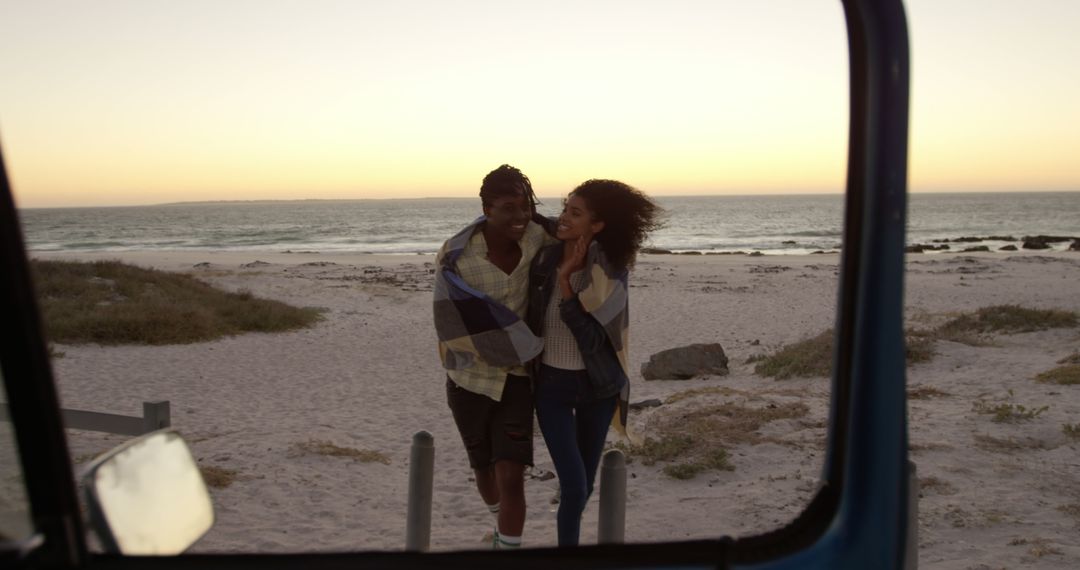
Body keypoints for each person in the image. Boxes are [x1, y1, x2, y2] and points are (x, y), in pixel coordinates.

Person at [526, 179, 661, 546]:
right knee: (574, 484)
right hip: (551, 388)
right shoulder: (544, 260)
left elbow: (590, 339)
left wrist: (568, 281)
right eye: (565, 208)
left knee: (583, 486)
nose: (563, 217)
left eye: (575, 212)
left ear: (597, 225)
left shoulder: (611, 272)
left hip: (598, 387)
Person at [433, 164, 557, 549]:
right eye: (508, 208)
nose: (519, 216)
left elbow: (581, 236)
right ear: (487, 209)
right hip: (468, 376)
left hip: (518, 375)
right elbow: (446, 314)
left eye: (524, 207)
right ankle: (497, 526)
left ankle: (507, 549)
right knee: (483, 470)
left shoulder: (539, 236)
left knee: (511, 474)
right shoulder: (457, 255)